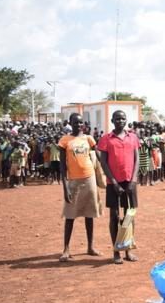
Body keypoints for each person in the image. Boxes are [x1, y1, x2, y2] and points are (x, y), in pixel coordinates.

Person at [97, 110, 140, 264]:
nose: (120, 121)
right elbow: (103, 162)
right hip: (113, 183)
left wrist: (133, 180)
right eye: (117, 119)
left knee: (129, 216)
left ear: (126, 120)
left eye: (123, 118)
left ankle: (128, 249)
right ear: (112, 120)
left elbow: (137, 159)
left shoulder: (133, 137)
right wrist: (114, 182)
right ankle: (116, 251)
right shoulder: (106, 139)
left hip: (130, 182)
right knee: (114, 217)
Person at [58, 113, 101, 262]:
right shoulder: (64, 141)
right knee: (70, 216)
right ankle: (66, 249)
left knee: (90, 215)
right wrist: (65, 188)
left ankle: (90, 246)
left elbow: (98, 156)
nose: (78, 125)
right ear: (70, 123)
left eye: (80, 122)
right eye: (75, 122)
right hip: (73, 182)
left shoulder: (89, 139)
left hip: (89, 179)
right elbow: (63, 167)